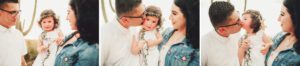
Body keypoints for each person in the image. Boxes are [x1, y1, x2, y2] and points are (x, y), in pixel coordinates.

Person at [100, 0, 145, 65]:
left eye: (144, 11)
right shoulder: (104, 35)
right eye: (141, 16)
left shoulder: (137, 26)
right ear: (125, 20)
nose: (145, 17)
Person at [54, 0, 99, 66]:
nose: (66, 18)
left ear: (80, 13)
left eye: (68, 12)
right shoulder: (74, 35)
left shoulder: (91, 51)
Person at [158, 0, 199, 66]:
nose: (169, 18)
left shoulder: (195, 47)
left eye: (174, 13)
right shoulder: (166, 32)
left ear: (188, 15)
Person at [201, 1, 241, 66]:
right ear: (222, 30)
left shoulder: (236, 33)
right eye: (237, 22)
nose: (241, 22)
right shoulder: (204, 44)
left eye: (238, 17)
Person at [265, 0, 300, 65]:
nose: (278, 19)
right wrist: (269, 45)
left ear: (296, 16)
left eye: (282, 14)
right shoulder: (279, 36)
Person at [0, 0, 27, 66]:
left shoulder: (18, 35)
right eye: (12, 12)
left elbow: (22, 61)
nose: (17, 16)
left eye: (18, 12)